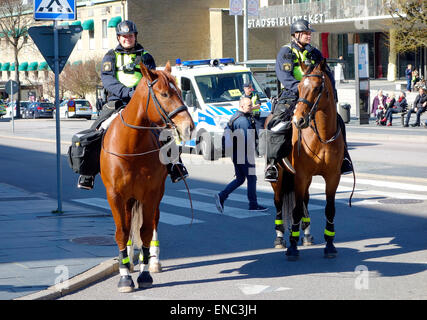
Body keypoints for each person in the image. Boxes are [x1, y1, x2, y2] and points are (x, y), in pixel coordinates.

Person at [77, 20, 188, 190]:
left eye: (130, 36)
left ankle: (175, 165)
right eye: (124, 36)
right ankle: (88, 173)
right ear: (119, 38)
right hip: (117, 101)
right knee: (98, 128)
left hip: (143, 101)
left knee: (163, 129)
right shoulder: (110, 56)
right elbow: (108, 81)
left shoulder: (146, 56)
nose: (127, 39)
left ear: (135, 36)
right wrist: (128, 93)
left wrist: (138, 94)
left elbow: (152, 80)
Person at [264, 19, 353, 182]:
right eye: (305, 33)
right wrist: (302, 89)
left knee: (338, 122)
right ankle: (272, 165)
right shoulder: (286, 52)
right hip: (292, 95)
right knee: (275, 125)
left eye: (309, 33)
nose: (309, 36)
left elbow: (328, 74)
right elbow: (284, 77)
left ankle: (344, 158)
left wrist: (332, 94)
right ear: (296, 35)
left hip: (315, 96)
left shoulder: (315, 53)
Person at [214, 96, 267, 213]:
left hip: (236, 153)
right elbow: (248, 140)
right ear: (242, 106)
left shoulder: (235, 116)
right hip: (244, 154)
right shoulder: (242, 121)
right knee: (252, 178)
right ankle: (253, 205)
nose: (251, 107)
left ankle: (222, 196)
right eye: (249, 106)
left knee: (240, 179)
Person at [243, 82, 262, 156]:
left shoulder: (255, 95)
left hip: (256, 117)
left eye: (250, 87)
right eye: (248, 88)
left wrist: (250, 108)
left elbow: (258, 106)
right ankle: (254, 153)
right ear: (244, 89)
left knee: (260, 134)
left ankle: (260, 152)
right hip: (247, 118)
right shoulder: (242, 97)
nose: (250, 89)